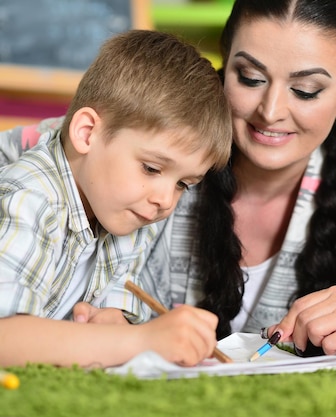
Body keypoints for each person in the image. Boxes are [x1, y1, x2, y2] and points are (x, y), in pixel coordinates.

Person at [0, 0, 336, 361]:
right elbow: (55, 153)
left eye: (306, 89)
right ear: (224, 62)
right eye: (249, 77)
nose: (270, 111)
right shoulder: (158, 141)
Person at [0, 29, 232, 368]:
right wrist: (138, 340)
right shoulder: (31, 197)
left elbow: (109, 316)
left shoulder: (131, 211)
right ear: (87, 133)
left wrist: (113, 322)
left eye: (184, 183)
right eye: (151, 168)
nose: (166, 200)